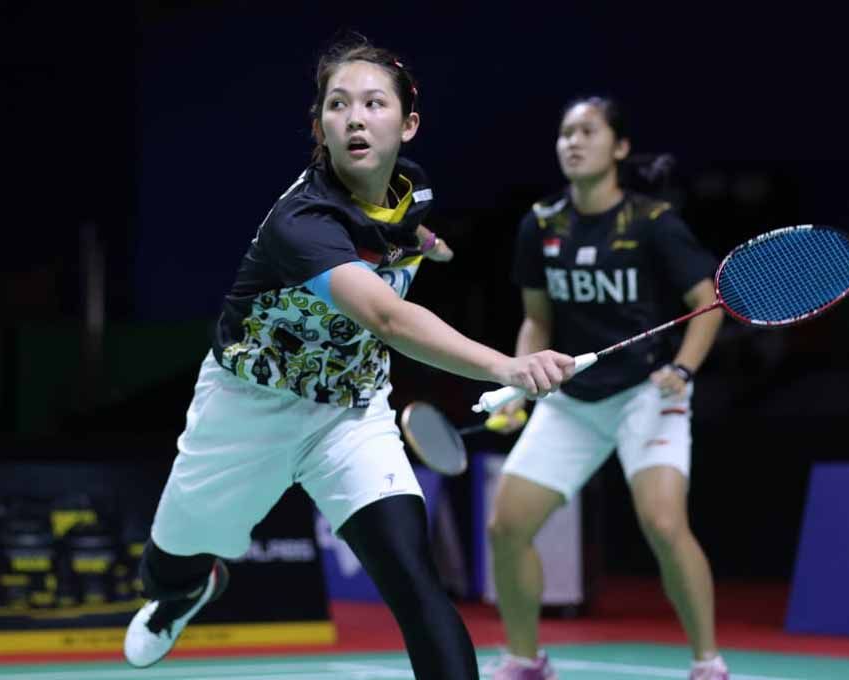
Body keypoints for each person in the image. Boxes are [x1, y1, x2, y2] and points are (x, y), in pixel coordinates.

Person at [123, 37, 581, 680]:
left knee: (413, 579)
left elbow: (399, 230)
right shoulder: (300, 222)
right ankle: (187, 591)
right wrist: (505, 366)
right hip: (246, 411)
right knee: (164, 569)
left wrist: (428, 245)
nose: (357, 117)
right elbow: (387, 317)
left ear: (408, 123)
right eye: (339, 105)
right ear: (320, 126)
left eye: (374, 103)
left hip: (351, 414)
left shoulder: (411, 189)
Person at [486, 96, 729, 680]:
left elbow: (707, 306)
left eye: (587, 132)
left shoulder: (652, 223)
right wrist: (522, 380)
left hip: (649, 393)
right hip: (572, 400)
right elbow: (537, 320)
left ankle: (707, 662)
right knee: (506, 525)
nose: (572, 142)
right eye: (565, 133)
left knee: (665, 524)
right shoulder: (541, 225)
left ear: (619, 147)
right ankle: (525, 659)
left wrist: (685, 370)